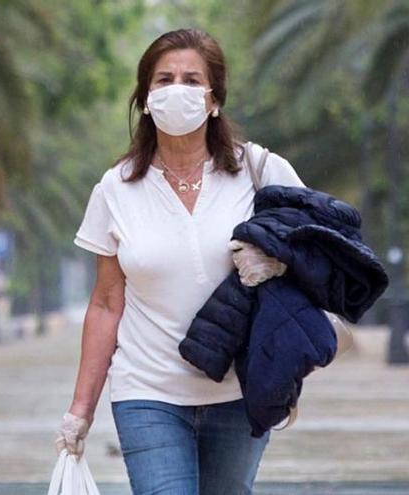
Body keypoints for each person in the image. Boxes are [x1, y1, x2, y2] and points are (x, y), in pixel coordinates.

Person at [57, 29, 307, 494]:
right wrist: (80, 410)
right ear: (146, 97)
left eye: (193, 80)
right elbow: (107, 303)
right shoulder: (115, 190)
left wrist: (279, 261)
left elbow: (324, 251)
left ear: (214, 99)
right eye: (164, 79)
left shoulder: (260, 171)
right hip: (146, 392)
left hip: (240, 390)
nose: (178, 89)